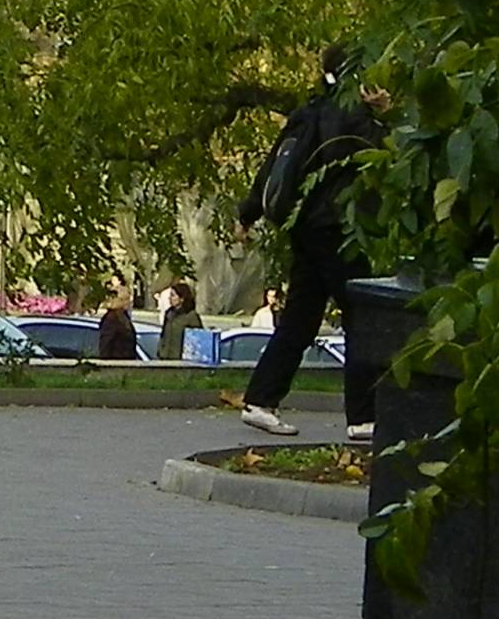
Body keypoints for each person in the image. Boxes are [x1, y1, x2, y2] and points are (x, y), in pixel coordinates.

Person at [236, 44, 389, 440]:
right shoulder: (352, 114)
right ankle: (363, 417)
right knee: (361, 317)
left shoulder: (308, 111)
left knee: (301, 318)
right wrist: (386, 114)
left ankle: (260, 400)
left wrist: (248, 212)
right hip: (337, 226)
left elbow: (275, 165)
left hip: (304, 225)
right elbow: (383, 153)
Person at [155, 282, 204, 362]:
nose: (169, 298)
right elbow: (163, 336)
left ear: (182, 298)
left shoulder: (191, 316)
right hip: (165, 358)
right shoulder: (169, 314)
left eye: (173, 295)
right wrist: (160, 352)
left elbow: (197, 340)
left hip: (181, 360)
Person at [98, 285, 140, 362]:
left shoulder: (124, 316)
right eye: (124, 299)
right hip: (116, 363)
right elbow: (105, 345)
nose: (128, 302)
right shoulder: (111, 319)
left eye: (128, 299)